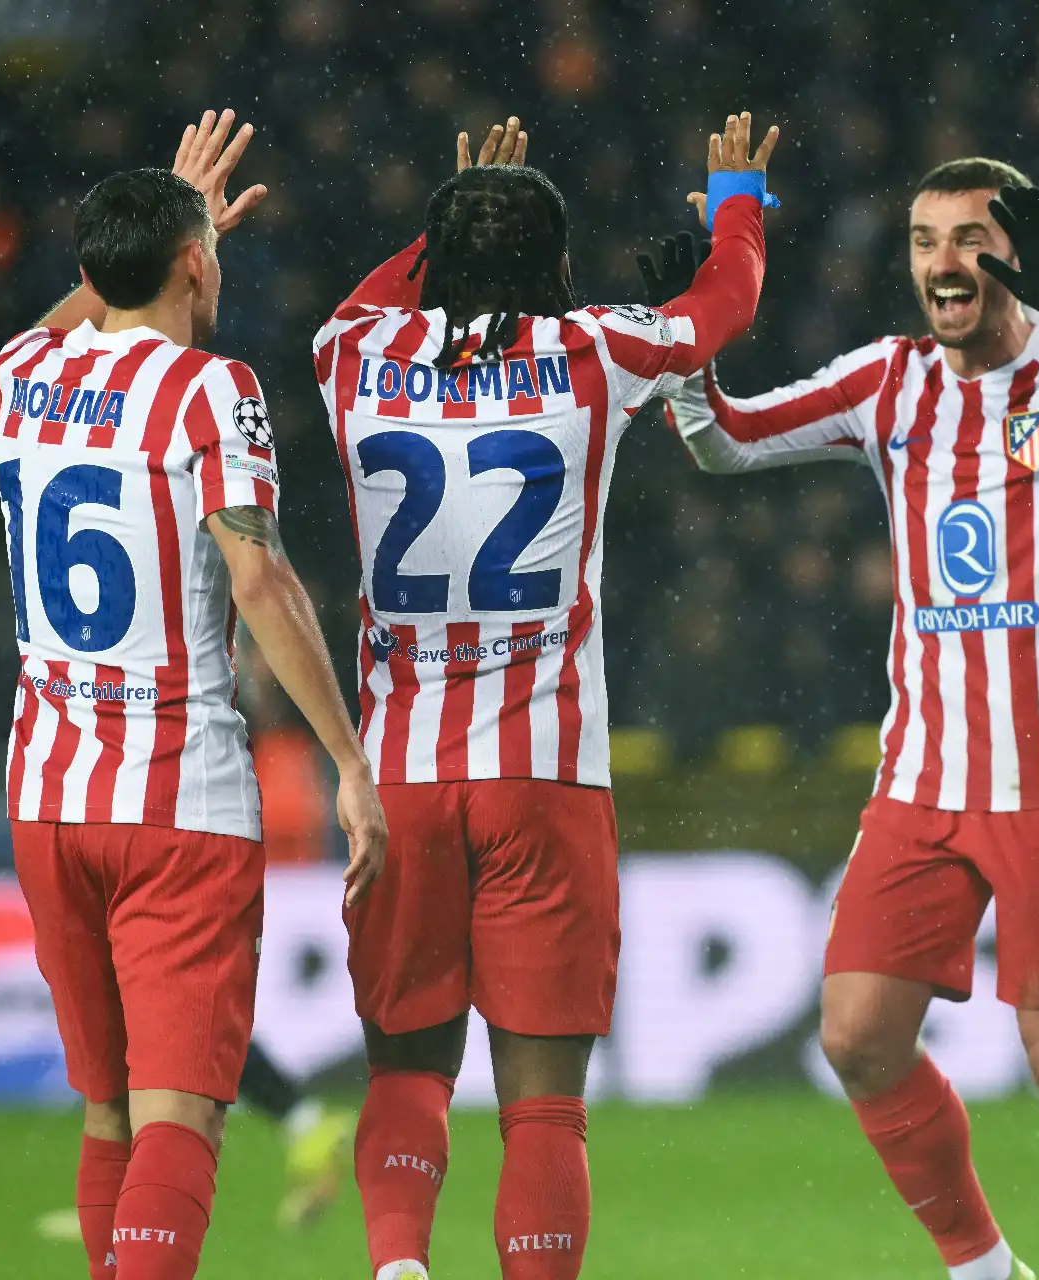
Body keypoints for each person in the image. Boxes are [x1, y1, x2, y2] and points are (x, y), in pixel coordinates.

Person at [658, 159, 1039, 1280]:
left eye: (969, 238)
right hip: (923, 781)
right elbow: (722, 438)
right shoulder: (888, 384)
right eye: (924, 240)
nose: (941, 263)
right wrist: (688, 342)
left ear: (1016, 250)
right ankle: (983, 1269)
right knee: (857, 1037)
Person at [316, 113, 778, 1280]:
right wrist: (736, 196)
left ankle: (398, 1267)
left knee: (408, 1066)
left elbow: (384, 293)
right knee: (542, 1103)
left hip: (403, 773)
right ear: (560, 267)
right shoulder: (597, 351)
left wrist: (448, 223)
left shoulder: (350, 351)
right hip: (544, 770)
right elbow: (726, 302)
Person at [0, 110, 387, 1280]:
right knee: (181, 1116)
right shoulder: (211, 391)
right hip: (178, 796)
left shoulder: (23, 375)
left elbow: (79, 315)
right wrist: (349, 760)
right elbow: (258, 573)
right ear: (199, 266)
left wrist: (164, 224)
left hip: (47, 794)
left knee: (109, 1110)